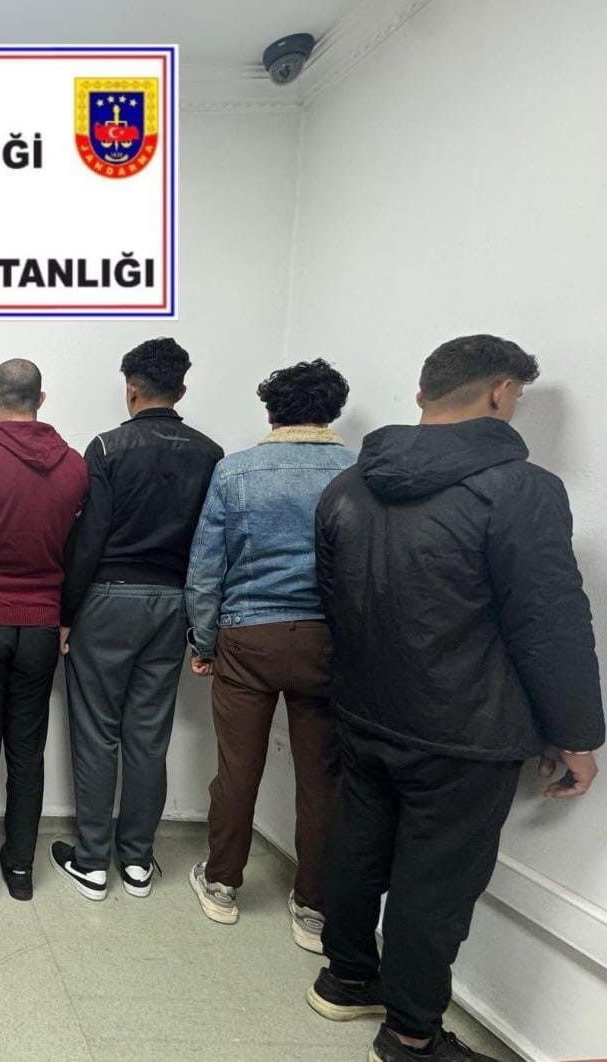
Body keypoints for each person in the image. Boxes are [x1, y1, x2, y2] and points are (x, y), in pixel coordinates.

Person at [307, 335, 603, 1062]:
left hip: (366, 708)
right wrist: (576, 733)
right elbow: (548, 620)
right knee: (434, 886)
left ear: (421, 395)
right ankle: (410, 1035)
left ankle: (346, 978)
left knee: (357, 848)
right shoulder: (520, 490)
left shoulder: (349, 485)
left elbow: (332, 599)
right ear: (500, 392)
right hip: (465, 729)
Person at [183, 359, 355, 950]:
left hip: (247, 636)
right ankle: (313, 907)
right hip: (326, 642)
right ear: (332, 410)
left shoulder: (236, 471)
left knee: (237, 768)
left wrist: (204, 641)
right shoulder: (357, 472)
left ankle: (222, 885)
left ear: (271, 410)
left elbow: (206, 567)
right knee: (322, 778)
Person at [52, 337, 223, 901]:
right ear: (182, 389)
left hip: (108, 599)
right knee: (149, 735)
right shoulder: (210, 453)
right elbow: (209, 546)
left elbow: (89, 536)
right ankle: (138, 862)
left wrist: (67, 611)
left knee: (97, 731)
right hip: (173, 602)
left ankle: (91, 861)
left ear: (131, 389)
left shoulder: (107, 446)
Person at [0, 359, 87, 910]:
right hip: (42, 625)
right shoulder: (74, 467)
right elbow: (75, 547)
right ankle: (21, 869)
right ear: (40, 399)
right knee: (27, 751)